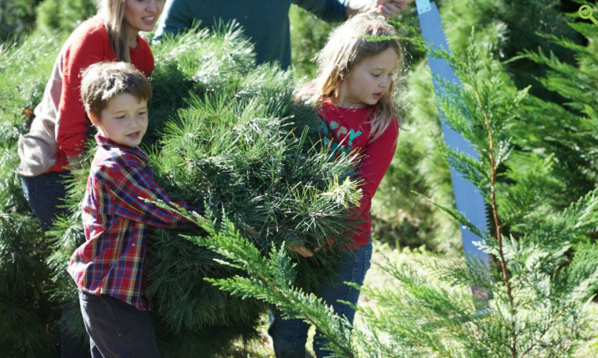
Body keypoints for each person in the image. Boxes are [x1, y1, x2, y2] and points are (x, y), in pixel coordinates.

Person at [16, 1, 164, 356]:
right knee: (88, 284)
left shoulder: (141, 51)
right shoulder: (93, 37)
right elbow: (69, 133)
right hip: (57, 170)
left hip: (100, 170)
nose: (153, 6)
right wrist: (107, 186)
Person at [268, 13, 404, 357]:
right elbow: (281, 171)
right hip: (294, 241)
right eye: (376, 73)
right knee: (286, 337)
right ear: (344, 66)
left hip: (346, 247)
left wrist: (315, 236)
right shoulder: (305, 105)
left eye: (390, 74)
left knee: (331, 341)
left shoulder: (381, 123)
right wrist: (290, 233)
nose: (384, 83)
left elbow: (359, 193)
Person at [68, 61, 201, 358]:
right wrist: (215, 220)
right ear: (95, 117)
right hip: (111, 293)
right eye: (121, 116)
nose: (134, 124)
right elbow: (163, 210)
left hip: (107, 290)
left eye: (141, 113)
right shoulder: (116, 164)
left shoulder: (123, 153)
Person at [154, 0, 411, 69]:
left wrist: (370, 5)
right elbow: (164, 53)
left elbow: (332, 8)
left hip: (278, 106)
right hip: (211, 116)